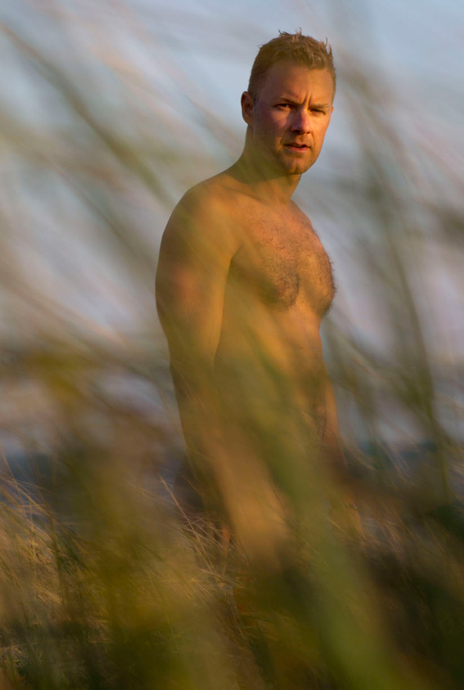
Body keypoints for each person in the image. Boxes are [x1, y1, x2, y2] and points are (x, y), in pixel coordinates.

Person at [155, 30, 356, 556]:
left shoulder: (302, 230)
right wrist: (225, 490)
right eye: (286, 105)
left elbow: (313, 370)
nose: (301, 124)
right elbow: (191, 366)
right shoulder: (210, 212)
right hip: (242, 498)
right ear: (248, 107)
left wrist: (341, 491)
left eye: (317, 110)